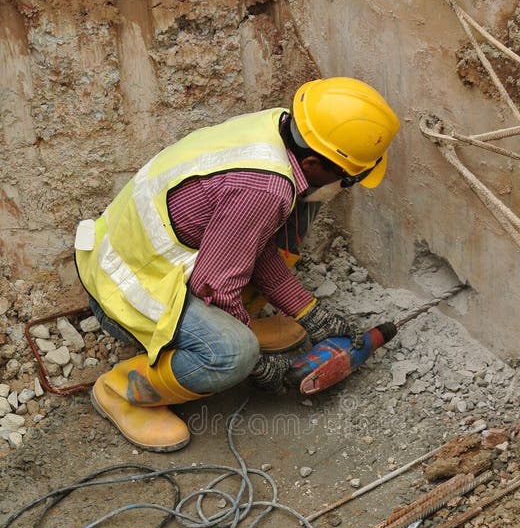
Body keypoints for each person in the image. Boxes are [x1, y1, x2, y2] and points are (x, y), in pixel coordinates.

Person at [74, 76, 400, 452]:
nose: (345, 184)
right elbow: (214, 285)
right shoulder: (265, 189)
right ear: (312, 163)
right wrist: (254, 363)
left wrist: (310, 313)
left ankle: (231, 331)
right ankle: (121, 392)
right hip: (125, 290)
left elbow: (249, 244)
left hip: (126, 255)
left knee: (292, 224)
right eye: (347, 177)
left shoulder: (276, 128)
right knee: (232, 355)